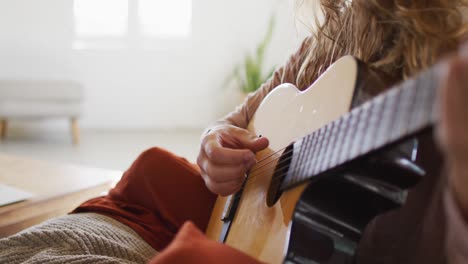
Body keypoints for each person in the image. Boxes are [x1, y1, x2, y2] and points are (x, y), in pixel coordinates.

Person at [1, 0, 468, 263]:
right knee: (154, 167)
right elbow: (238, 119)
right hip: (269, 231)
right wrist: (214, 144)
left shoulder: (454, 53)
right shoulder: (331, 37)